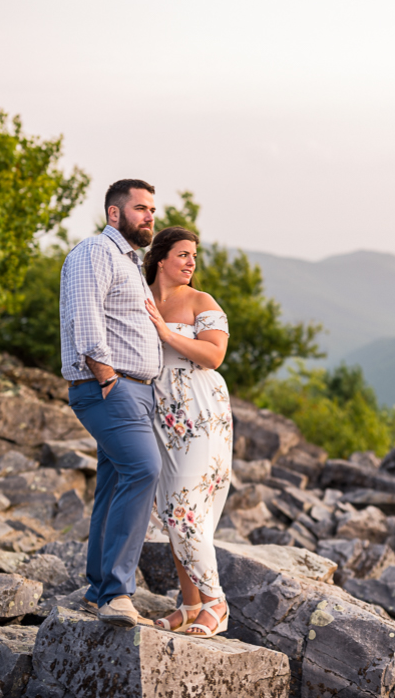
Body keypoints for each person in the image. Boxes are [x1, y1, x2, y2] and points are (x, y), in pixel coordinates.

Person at [60, 178, 163, 628]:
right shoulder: (95, 253)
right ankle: (117, 594)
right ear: (115, 214)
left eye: (152, 209)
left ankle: (98, 588)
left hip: (134, 390)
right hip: (109, 386)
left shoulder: (132, 262)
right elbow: (85, 317)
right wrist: (108, 378)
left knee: (114, 481)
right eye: (140, 208)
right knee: (145, 469)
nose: (149, 216)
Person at [142, 226, 233, 638]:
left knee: (185, 507)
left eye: (194, 255)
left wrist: (165, 333)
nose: (191, 262)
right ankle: (191, 604)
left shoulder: (201, 301)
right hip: (158, 411)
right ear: (160, 259)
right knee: (172, 509)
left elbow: (214, 355)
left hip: (200, 408)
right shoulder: (141, 296)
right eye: (182, 254)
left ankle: (216, 602)